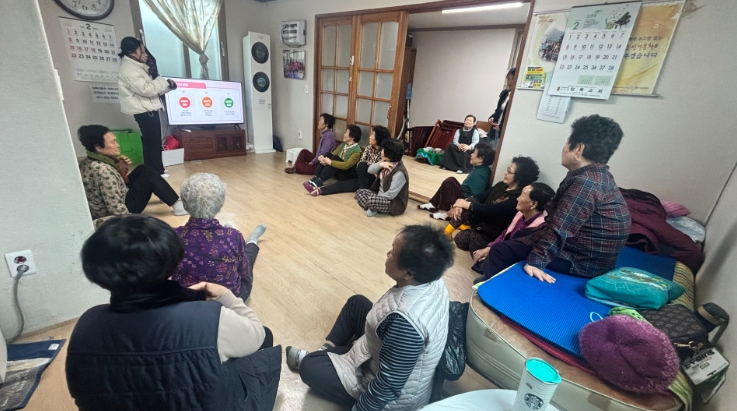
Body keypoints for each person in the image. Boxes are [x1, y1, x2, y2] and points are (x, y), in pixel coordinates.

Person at [66, 215, 281, 411]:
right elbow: (257, 334)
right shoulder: (208, 319)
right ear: (170, 262)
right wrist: (226, 295)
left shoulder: (86, 325)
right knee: (264, 336)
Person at [285, 225, 454, 411]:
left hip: (392, 396)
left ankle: (322, 357)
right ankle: (327, 351)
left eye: (393, 252)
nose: (388, 253)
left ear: (409, 273)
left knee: (309, 367)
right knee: (357, 303)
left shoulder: (405, 324)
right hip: (383, 349)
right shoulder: (432, 278)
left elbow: (388, 386)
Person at [477, 115, 632, 284]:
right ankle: (494, 277)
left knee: (501, 250)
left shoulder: (586, 183)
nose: (564, 148)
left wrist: (537, 261)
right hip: (583, 250)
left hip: (583, 261)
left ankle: (488, 292)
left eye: (567, 143)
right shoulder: (594, 175)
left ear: (579, 149)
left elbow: (561, 228)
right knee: (521, 234)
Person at [170, 173, 267, 301]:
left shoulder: (171, 236)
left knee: (235, 244)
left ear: (185, 204)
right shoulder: (234, 236)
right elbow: (243, 271)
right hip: (229, 299)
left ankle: (248, 238)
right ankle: (253, 240)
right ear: (220, 203)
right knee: (246, 261)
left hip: (187, 301)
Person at [77, 125, 187, 227]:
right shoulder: (103, 171)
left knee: (142, 169)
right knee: (148, 176)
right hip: (119, 212)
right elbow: (116, 210)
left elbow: (115, 185)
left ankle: (164, 194)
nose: (117, 145)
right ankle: (178, 206)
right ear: (98, 147)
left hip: (114, 198)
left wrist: (119, 167)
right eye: (113, 142)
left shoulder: (88, 161)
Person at [445, 156, 540, 255]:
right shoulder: (501, 185)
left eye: (509, 171)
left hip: (490, 233)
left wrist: (466, 204)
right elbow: (481, 196)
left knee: (461, 240)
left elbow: (492, 210)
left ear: (519, 178)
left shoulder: (517, 197)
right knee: (471, 201)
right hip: (480, 222)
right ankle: (447, 232)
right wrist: (461, 205)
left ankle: (470, 232)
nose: (505, 173)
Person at [118, 37, 177, 176]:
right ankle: (154, 172)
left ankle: (158, 169)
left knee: (154, 142)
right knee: (152, 143)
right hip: (144, 110)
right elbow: (147, 89)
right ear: (132, 53)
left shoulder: (138, 67)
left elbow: (154, 89)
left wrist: (168, 86)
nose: (146, 55)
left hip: (148, 108)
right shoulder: (129, 70)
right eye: (142, 52)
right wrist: (161, 81)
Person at [471, 182, 555, 274]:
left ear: (533, 204)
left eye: (522, 195)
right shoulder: (521, 213)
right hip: (504, 248)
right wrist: (488, 249)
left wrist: (492, 253)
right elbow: (505, 233)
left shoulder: (540, 227)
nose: (517, 198)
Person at [418, 142, 494, 220]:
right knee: (451, 180)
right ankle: (433, 204)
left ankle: (447, 213)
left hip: (465, 200)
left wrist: (461, 205)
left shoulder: (481, 174)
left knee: (449, 183)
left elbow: (475, 197)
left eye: (474, 153)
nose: (471, 154)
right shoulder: (481, 169)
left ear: (481, 159)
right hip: (463, 194)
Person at [313, 125, 391, 196]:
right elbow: (361, 163)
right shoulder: (369, 147)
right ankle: (317, 182)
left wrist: (369, 168)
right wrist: (324, 159)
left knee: (342, 184)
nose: (370, 137)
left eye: (373, 135)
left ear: (378, 138)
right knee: (359, 166)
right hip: (360, 175)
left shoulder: (384, 152)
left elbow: (375, 171)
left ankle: (320, 189)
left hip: (369, 179)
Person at [356, 139, 409, 217]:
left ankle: (373, 206)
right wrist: (380, 164)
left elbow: (391, 195)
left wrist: (375, 198)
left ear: (390, 155)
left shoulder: (399, 172)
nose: (381, 152)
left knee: (372, 200)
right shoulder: (385, 161)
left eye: (383, 150)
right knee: (360, 192)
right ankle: (373, 207)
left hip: (393, 202)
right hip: (379, 195)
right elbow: (369, 170)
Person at [303, 124, 363, 193]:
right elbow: (332, 154)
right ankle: (316, 177)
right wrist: (323, 158)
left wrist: (330, 162)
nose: (344, 134)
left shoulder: (357, 151)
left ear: (352, 137)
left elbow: (346, 165)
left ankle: (320, 180)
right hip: (339, 170)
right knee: (328, 154)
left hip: (347, 175)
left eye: (346, 133)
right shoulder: (343, 145)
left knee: (335, 158)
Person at [487, 67, 516, 150]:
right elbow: (498, 110)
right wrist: (492, 117)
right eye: (508, 78)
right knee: (492, 152)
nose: (510, 81)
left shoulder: (517, 96)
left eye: (513, 78)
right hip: (495, 129)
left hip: (505, 132)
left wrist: (501, 126)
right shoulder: (504, 93)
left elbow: (514, 117)